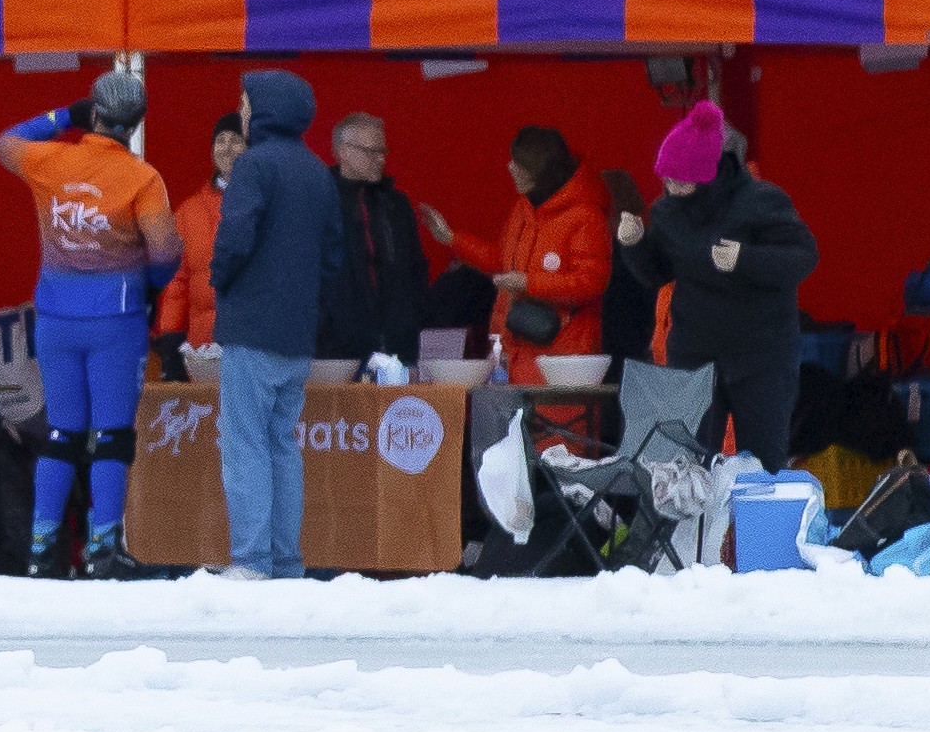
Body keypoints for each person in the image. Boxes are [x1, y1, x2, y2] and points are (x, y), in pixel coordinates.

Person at [0, 67, 179, 577]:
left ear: (94, 112)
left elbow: (4, 141)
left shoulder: (49, 160)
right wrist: (144, 281)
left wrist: (62, 116)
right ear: (136, 123)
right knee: (112, 435)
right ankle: (102, 551)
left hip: (54, 315)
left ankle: (40, 550)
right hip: (116, 320)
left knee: (62, 433)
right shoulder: (143, 178)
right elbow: (165, 256)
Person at [609, 99, 819, 468]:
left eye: (678, 179)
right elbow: (658, 273)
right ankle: (696, 527)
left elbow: (802, 256)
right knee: (687, 462)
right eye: (664, 178)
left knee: (762, 463)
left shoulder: (760, 201)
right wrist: (634, 244)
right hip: (695, 352)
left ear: (705, 175)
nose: (669, 186)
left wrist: (745, 259)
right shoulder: (666, 212)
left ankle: (761, 526)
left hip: (762, 354)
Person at [203, 70, 344, 581]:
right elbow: (334, 258)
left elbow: (234, 236)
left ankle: (251, 561)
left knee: (244, 441)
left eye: (245, 102)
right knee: (283, 442)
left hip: (252, 326)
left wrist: (220, 277)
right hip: (297, 332)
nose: (241, 111)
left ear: (264, 110)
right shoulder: (317, 171)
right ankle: (286, 561)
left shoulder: (254, 165)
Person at [417, 124, 613, 383]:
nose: (510, 167)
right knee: (515, 422)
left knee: (554, 423)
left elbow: (591, 282)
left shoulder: (586, 217)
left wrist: (528, 283)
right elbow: (503, 261)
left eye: (518, 162)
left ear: (540, 170)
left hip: (563, 356)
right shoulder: (523, 208)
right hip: (516, 346)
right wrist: (452, 239)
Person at [324, 112, 427, 368]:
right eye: (372, 152)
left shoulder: (396, 204)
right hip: (337, 347)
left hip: (398, 343)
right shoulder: (318, 203)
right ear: (344, 151)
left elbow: (415, 268)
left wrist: (411, 316)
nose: (381, 159)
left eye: (383, 151)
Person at [156, 112, 240, 373]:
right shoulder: (188, 212)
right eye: (220, 140)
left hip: (253, 345)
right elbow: (176, 281)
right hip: (203, 346)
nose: (226, 148)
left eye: (236, 140)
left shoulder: (270, 206)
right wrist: (170, 337)